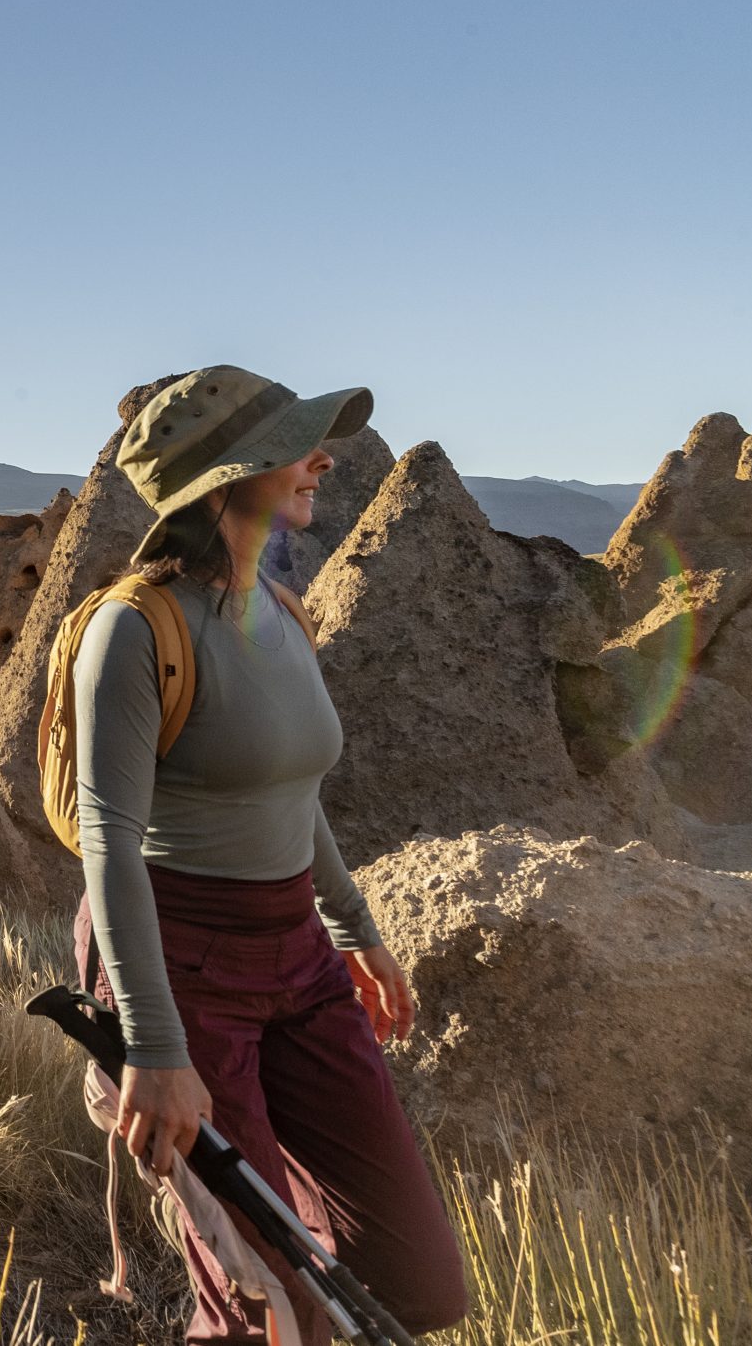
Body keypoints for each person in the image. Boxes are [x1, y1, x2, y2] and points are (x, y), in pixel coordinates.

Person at [75, 367, 468, 1341]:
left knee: (418, 1279)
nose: (322, 460)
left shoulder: (282, 613)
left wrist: (352, 927)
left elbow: (293, 795)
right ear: (225, 479)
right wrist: (155, 1046)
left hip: (298, 953)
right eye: (296, 446)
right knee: (273, 1306)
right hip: (181, 963)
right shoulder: (133, 629)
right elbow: (108, 841)